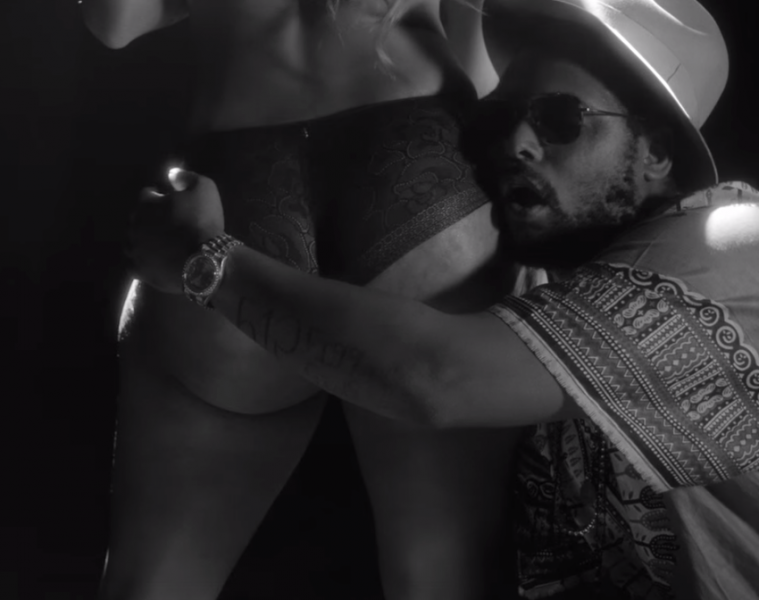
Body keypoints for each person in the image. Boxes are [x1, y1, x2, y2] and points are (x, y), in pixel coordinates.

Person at [127, 0, 759, 598]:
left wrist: (206, 261)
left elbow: (436, 377)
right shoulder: (558, 299)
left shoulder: (732, 246)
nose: (515, 143)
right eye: (499, 119)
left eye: (561, 119)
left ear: (656, 153)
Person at [84, 0, 524, 598]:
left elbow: (114, 24)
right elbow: (484, 57)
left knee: (154, 584)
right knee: (446, 569)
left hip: (236, 177)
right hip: (422, 156)